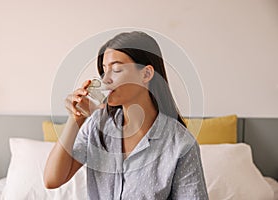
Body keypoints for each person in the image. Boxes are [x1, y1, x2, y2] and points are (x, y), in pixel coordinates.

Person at [44, 31, 208, 199]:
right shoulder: (96, 125)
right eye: (103, 71)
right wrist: (76, 118)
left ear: (146, 74)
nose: (105, 79)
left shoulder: (180, 143)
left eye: (116, 69)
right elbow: (52, 180)